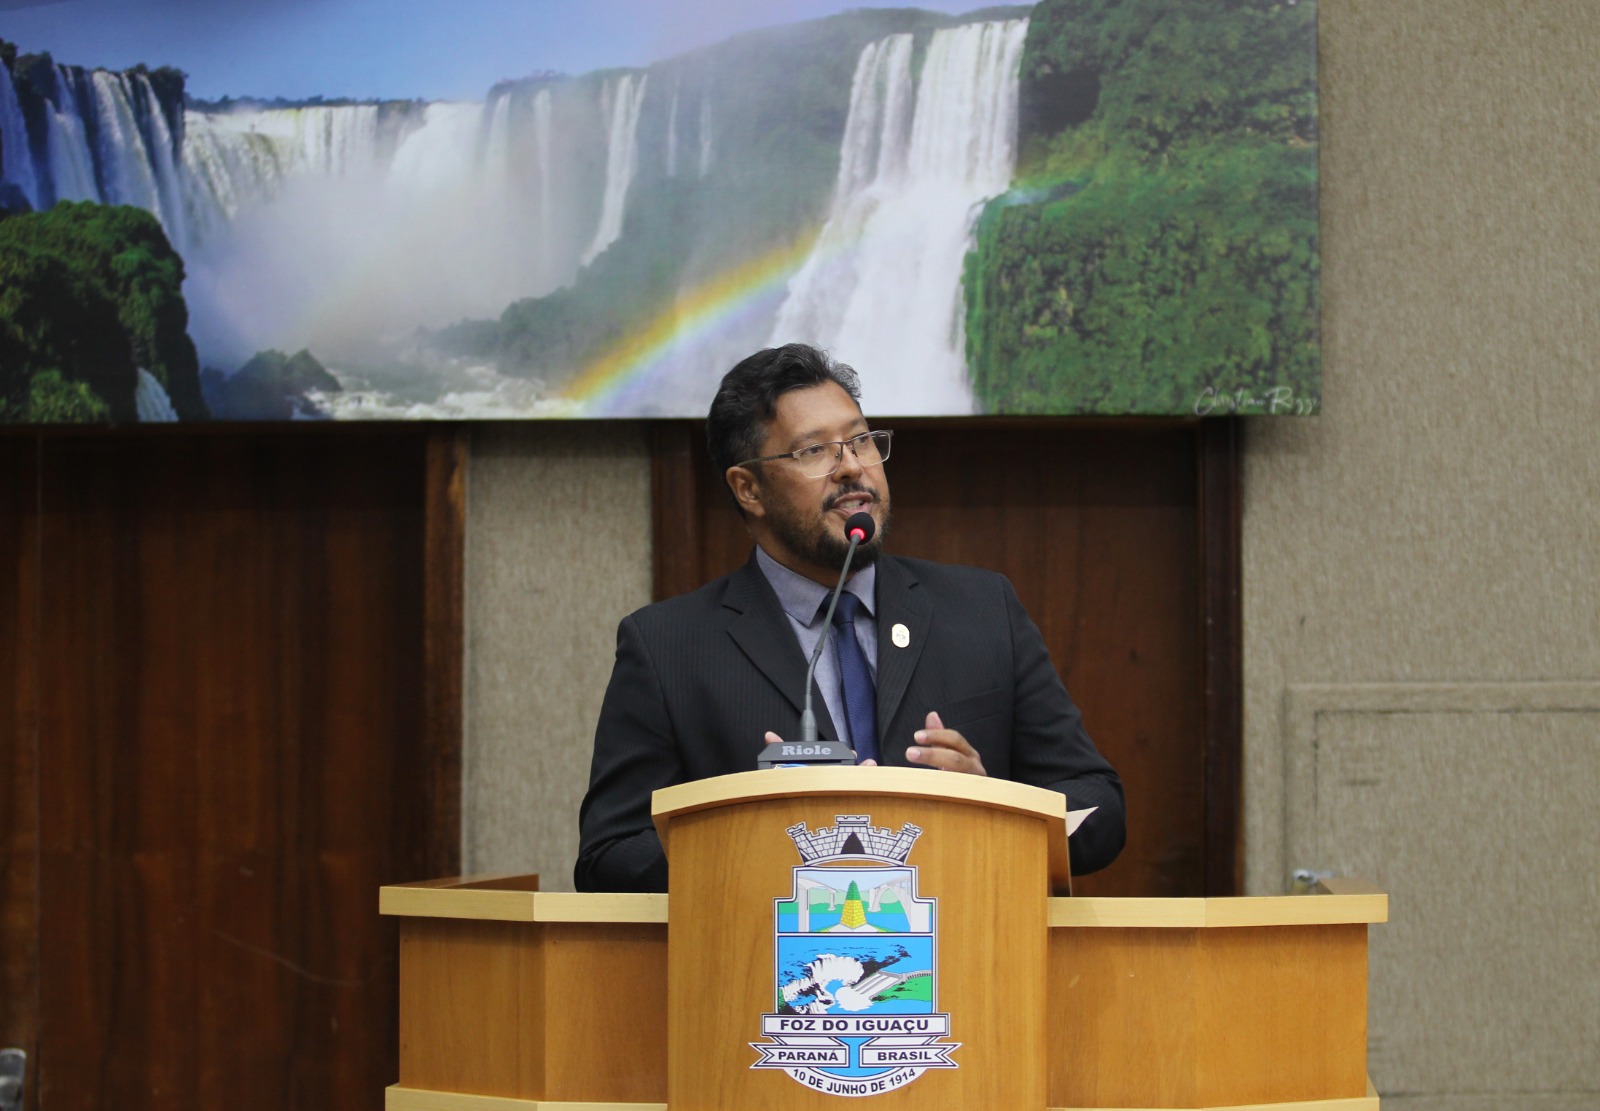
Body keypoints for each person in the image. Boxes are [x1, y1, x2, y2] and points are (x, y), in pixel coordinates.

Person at [575, 343, 1125, 892]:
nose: (853, 468)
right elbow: (608, 859)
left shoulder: (983, 610)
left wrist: (992, 805)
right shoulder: (668, 647)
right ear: (748, 488)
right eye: (814, 451)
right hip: (771, 969)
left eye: (860, 440)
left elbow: (1099, 807)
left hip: (972, 958)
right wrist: (754, 838)